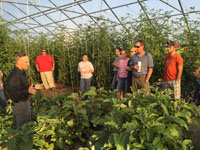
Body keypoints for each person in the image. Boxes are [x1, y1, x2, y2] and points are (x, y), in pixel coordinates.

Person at [7, 53, 42, 128]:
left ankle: (26, 138)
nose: (28, 64)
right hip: (19, 104)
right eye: (26, 62)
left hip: (24, 102)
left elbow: (22, 87)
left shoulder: (21, 72)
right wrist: (28, 91)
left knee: (26, 124)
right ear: (19, 62)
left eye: (28, 62)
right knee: (22, 127)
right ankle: (21, 139)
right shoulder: (14, 75)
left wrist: (34, 87)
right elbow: (13, 93)